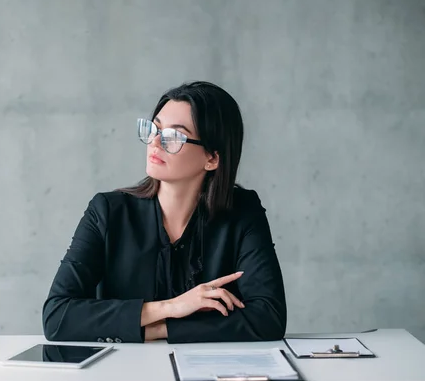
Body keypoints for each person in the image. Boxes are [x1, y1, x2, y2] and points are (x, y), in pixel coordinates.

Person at [42, 81, 287, 344]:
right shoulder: (107, 211)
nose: (155, 142)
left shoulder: (242, 212)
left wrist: (159, 330)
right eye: (154, 129)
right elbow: (58, 316)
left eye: (174, 136)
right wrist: (172, 307)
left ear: (212, 158)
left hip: (209, 377)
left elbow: (268, 318)